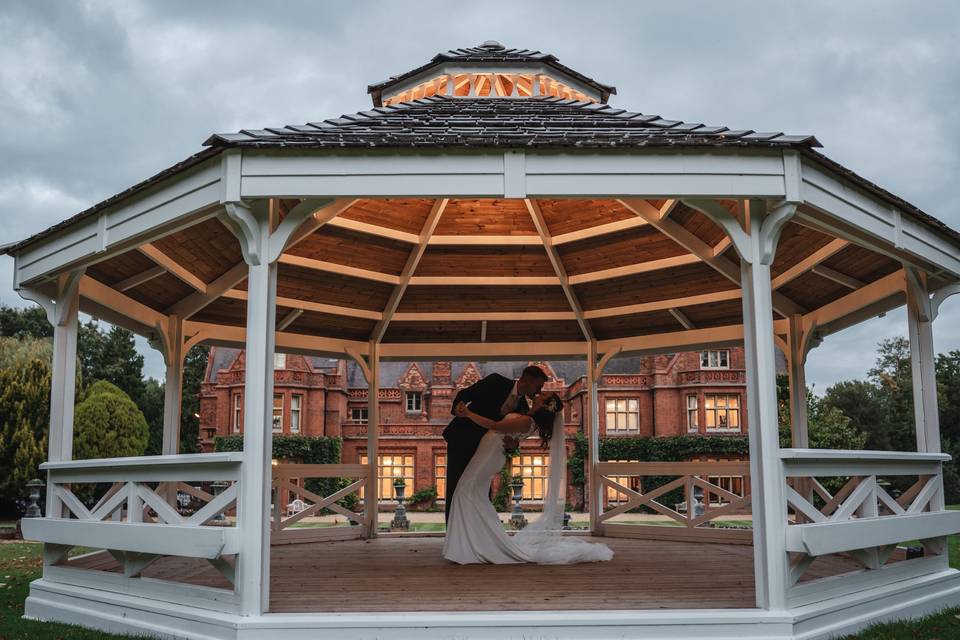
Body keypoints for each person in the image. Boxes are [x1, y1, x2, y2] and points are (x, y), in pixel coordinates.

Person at [443, 392, 614, 565]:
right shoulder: (527, 417)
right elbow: (509, 436)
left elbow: (496, 425)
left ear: (545, 405)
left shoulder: (527, 421)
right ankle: (473, 545)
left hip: (489, 454)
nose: (539, 393)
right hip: (489, 451)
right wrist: (513, 443)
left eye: (543, 395)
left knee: (465, 492)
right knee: (469, 495)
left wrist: (469, 414)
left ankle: (476, 546)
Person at [442, 365, 548, 522]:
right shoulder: (496, 381)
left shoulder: (524, 408)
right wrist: (458, 409)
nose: (539, 391)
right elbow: (464, 394)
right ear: (527, 379)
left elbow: (513, 439)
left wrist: (513, 446)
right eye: (538, 386)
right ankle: (453, 530)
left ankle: (478, 530)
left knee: (483, 489)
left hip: (485, 449)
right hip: (462, 439)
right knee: (456, 485)